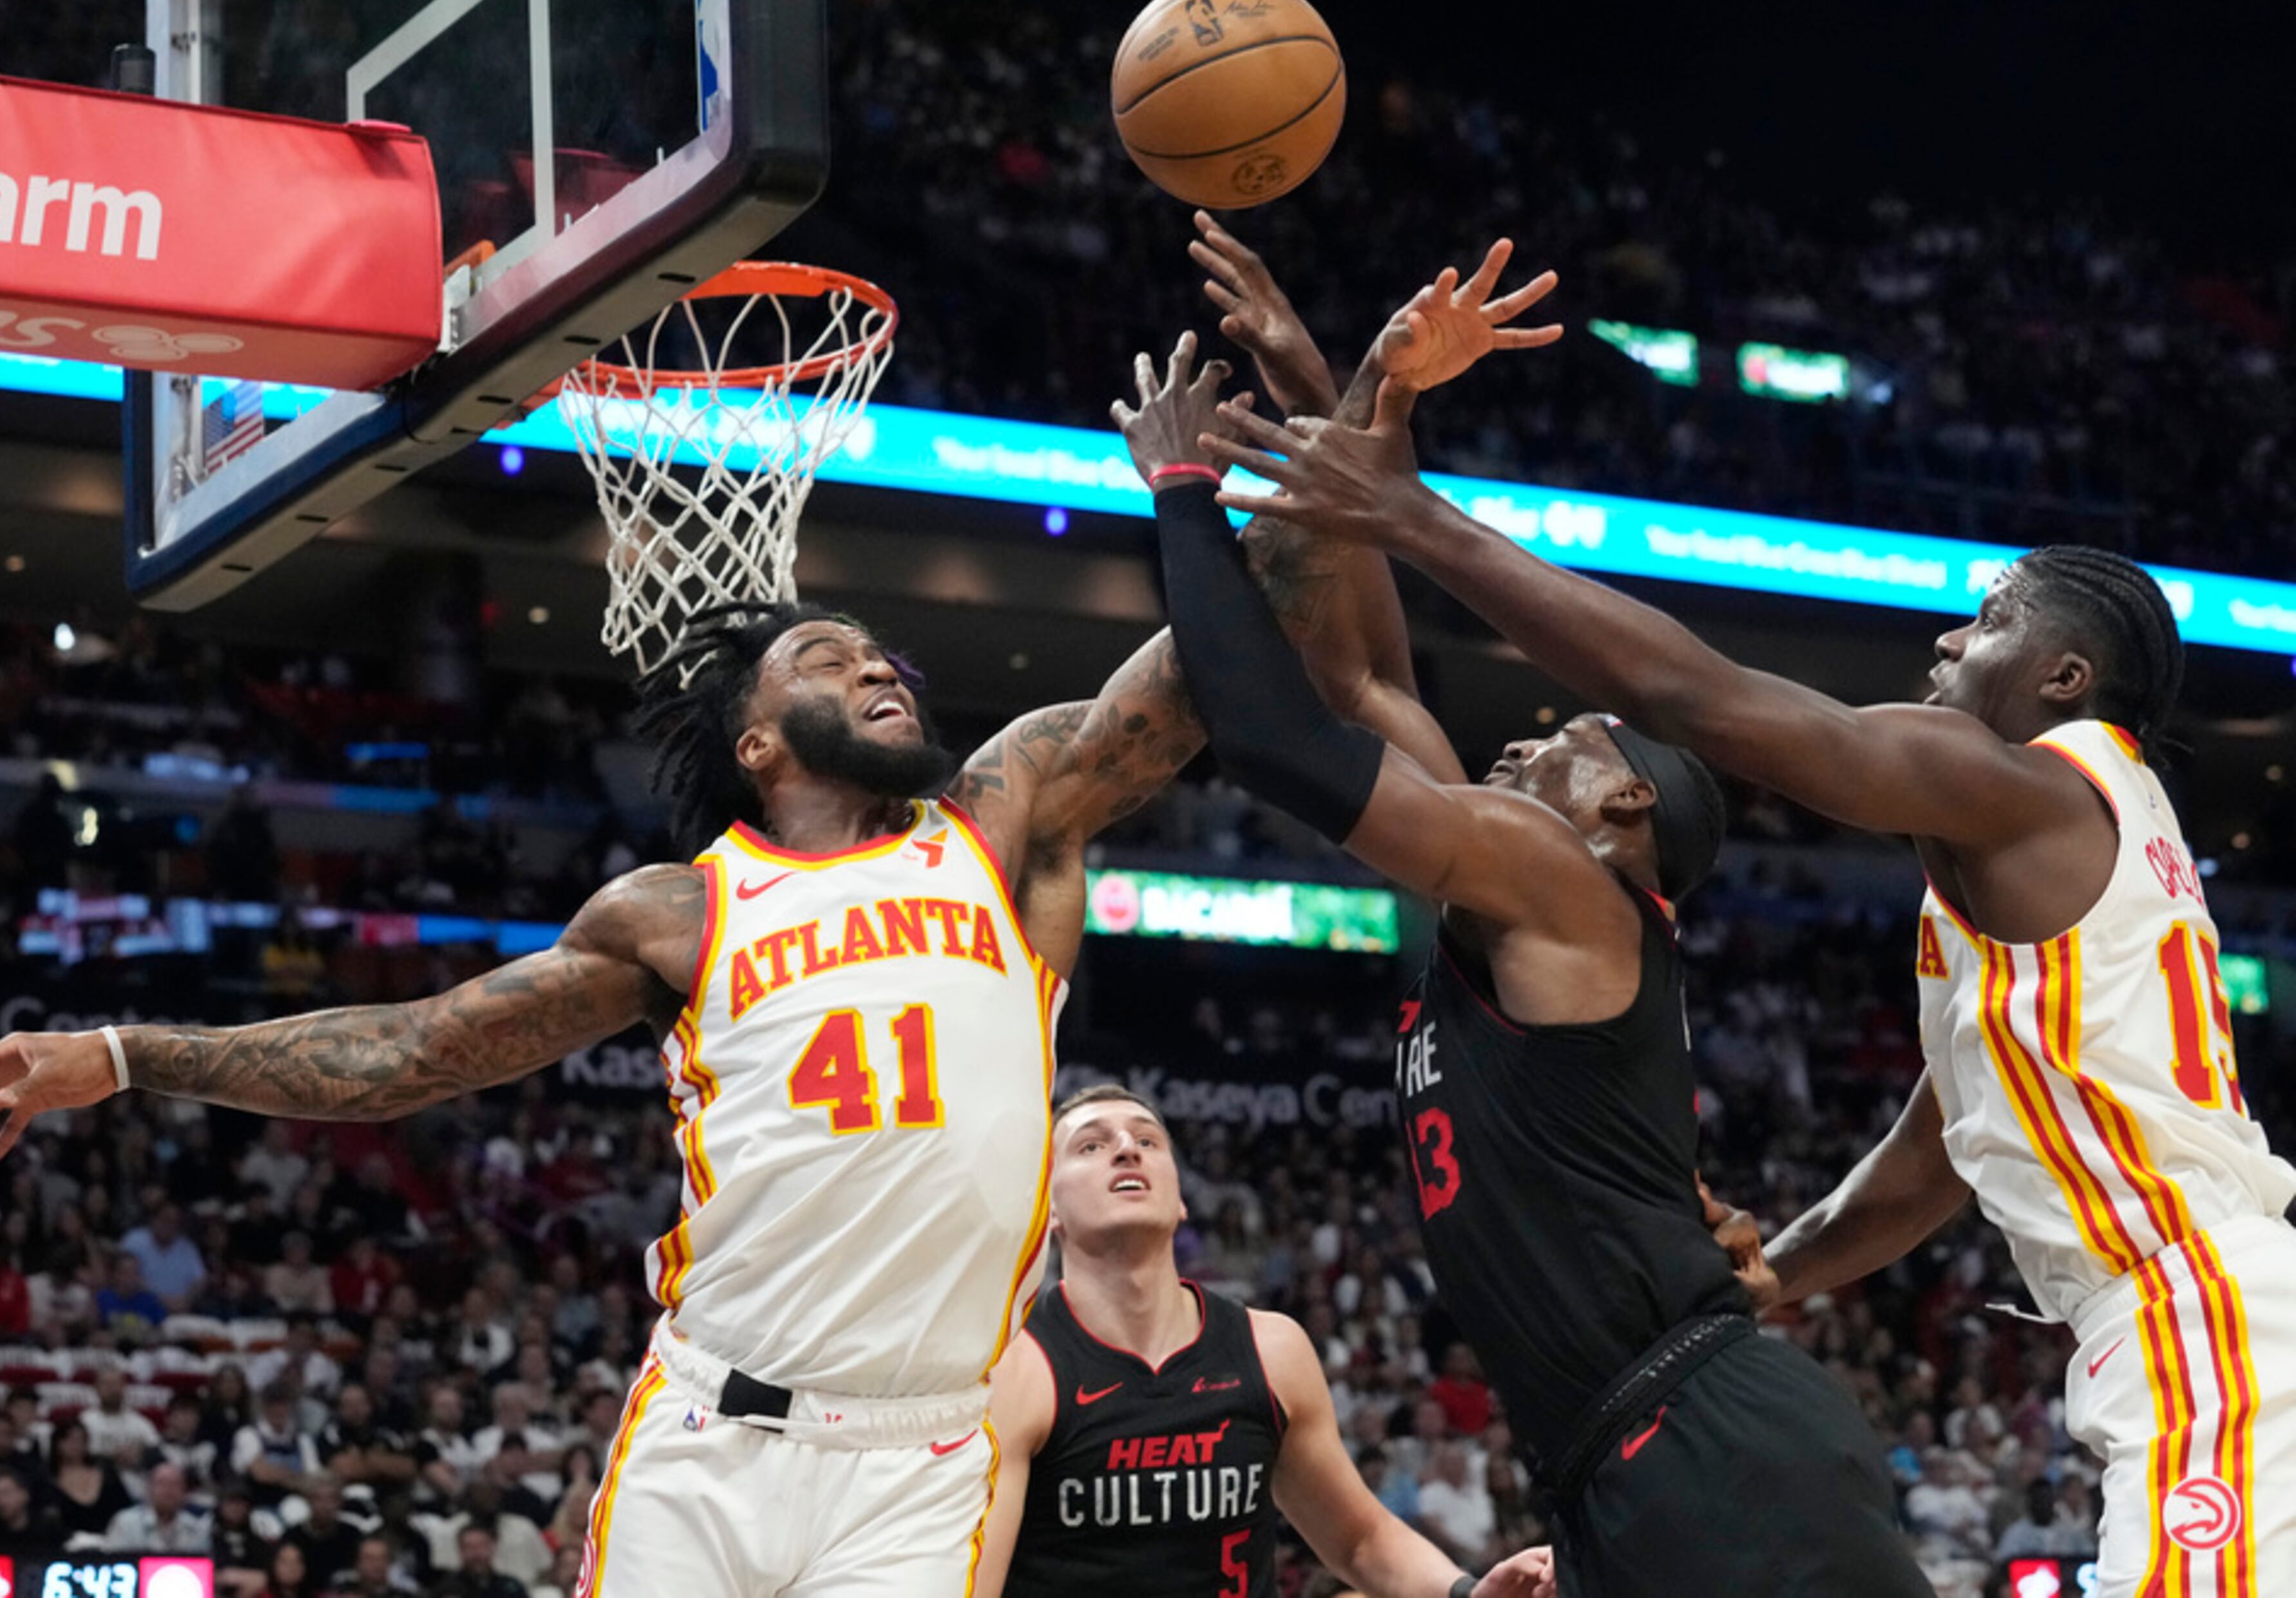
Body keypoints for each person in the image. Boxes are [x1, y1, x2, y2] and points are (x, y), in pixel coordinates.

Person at [0, 426, 1371, 1598]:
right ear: (755, 736)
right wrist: (119, 1051)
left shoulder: (997, 822)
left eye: (881, 650)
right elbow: (414, 1050)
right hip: (714, 1438)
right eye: (827, 654)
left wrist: (1357, 420)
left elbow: (1205, 674)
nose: (875, 662)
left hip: (929, 1448)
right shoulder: (679, 908)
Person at [1201, 246, 2296, 1595]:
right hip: (2164, 1318)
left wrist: (1416, 516)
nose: (1951, 643)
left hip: (2198, 1310)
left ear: (2064, 676)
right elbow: (1937, 1156)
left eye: (1991, 620)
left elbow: (1718, 706)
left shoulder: (2038, 783)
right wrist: (1777, 1268)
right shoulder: (2029, 879)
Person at [1139, 242, 1931, 1594]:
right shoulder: (1525, 899)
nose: (1522, 745)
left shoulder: (1565, 881)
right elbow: (1366, 672)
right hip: (1621, 1453)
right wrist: (1327, 385)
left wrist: (1184, 490)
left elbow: (1277, 734)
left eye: (1565, 739)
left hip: (1709, 1439)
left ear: (1625, 801)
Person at [977, 1086, 1552, 1598]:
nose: (1127, 1148)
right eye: (1091, 1146)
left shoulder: (1271, 1347)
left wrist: (1466, 1591)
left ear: (1180, 1200)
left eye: (1148, 1141)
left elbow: (1358, 1541)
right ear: (1046, 1208)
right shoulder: (1015, 1368)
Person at [106, 1462, 211, 1553]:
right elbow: (115, 1562)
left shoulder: (196, 1528)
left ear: (185, 1492)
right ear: (149, 1489)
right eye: (162, 1484)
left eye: (175, 1485)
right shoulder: (125, 1523)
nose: (168, 1491)